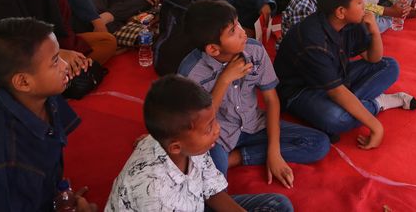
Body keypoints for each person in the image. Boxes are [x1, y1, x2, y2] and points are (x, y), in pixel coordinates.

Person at [177, 0, 330, 179]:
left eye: (238, 23)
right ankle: (227, 159)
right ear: (213, 49)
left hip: (254, 124)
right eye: (233, 31)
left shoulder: (254, 51)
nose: (243, 33)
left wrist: (274, 152)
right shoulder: (191, 73)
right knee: (207, 173)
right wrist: (225, 79)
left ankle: (237, 158)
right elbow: (198, 122)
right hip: (218, 136)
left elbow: (271, 99)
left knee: (319, 143)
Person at [0, 17, 97, 212]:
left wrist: (57, 197)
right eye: (55, 61)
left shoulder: (40, 96)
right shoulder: (7, 159)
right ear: (23, 82)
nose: (65, 65)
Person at [105, 74, 294, 212]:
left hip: (193, 203)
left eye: (214, 121)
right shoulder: (154, 193)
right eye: (209, 128)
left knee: (278, 205)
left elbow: (212, 192)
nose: (218, 130)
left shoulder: (190, 143)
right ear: (176, 147)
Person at [274, 0, 416, 145]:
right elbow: (336, 92)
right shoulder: (313, 41)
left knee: (389, 66)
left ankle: (356, 106)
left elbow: (373, 58)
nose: (364, 5)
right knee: (335, 118)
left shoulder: (350, 21)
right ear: (341, 11)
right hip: (301, 91)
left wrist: (374, 30)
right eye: (359, 1)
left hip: (336, 77)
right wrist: (375, 126)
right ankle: (378, 103)